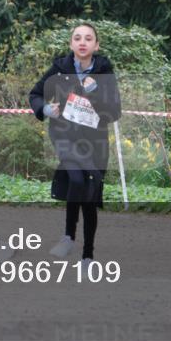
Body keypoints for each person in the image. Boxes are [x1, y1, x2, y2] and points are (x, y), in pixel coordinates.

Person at [29, 22, 121, 265]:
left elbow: (115, 111)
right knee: (77, 179)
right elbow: (35, 94)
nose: (82, 42)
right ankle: (68, 236)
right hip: (65, 136)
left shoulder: (104, 71)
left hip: (94, 140)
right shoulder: (60, 69)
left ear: (96, 45)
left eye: (88, 38)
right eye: (78, 38)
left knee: (89, 195)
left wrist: (97, 91)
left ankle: (88, 255)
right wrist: (46, 109)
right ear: (71, 43)